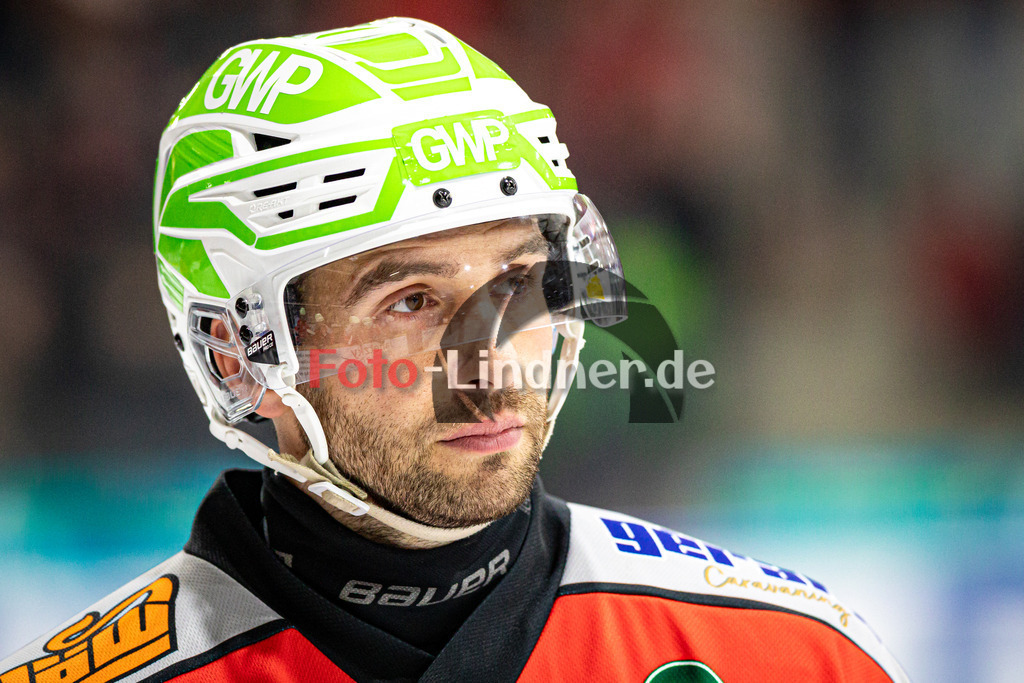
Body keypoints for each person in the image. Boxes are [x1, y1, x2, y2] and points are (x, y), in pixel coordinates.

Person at [0, 17, 908, 683]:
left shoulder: (792, 657)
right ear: (239, 355)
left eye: (519, 280)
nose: (494, 364)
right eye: (411, 300)